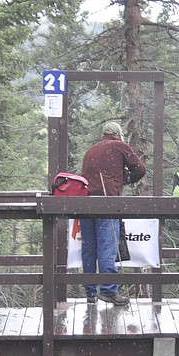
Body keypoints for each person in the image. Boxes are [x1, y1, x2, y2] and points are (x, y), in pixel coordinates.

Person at [79, 121, 146, 306]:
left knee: (89, 250)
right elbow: (140, 169)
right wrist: (124, 180)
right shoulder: (120, 146)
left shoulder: (91, 150)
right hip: (107, 203)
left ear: (103, 134)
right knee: (107, 248)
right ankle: (108, 290)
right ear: (119, 135)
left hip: (85, 204)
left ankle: (90, 292)